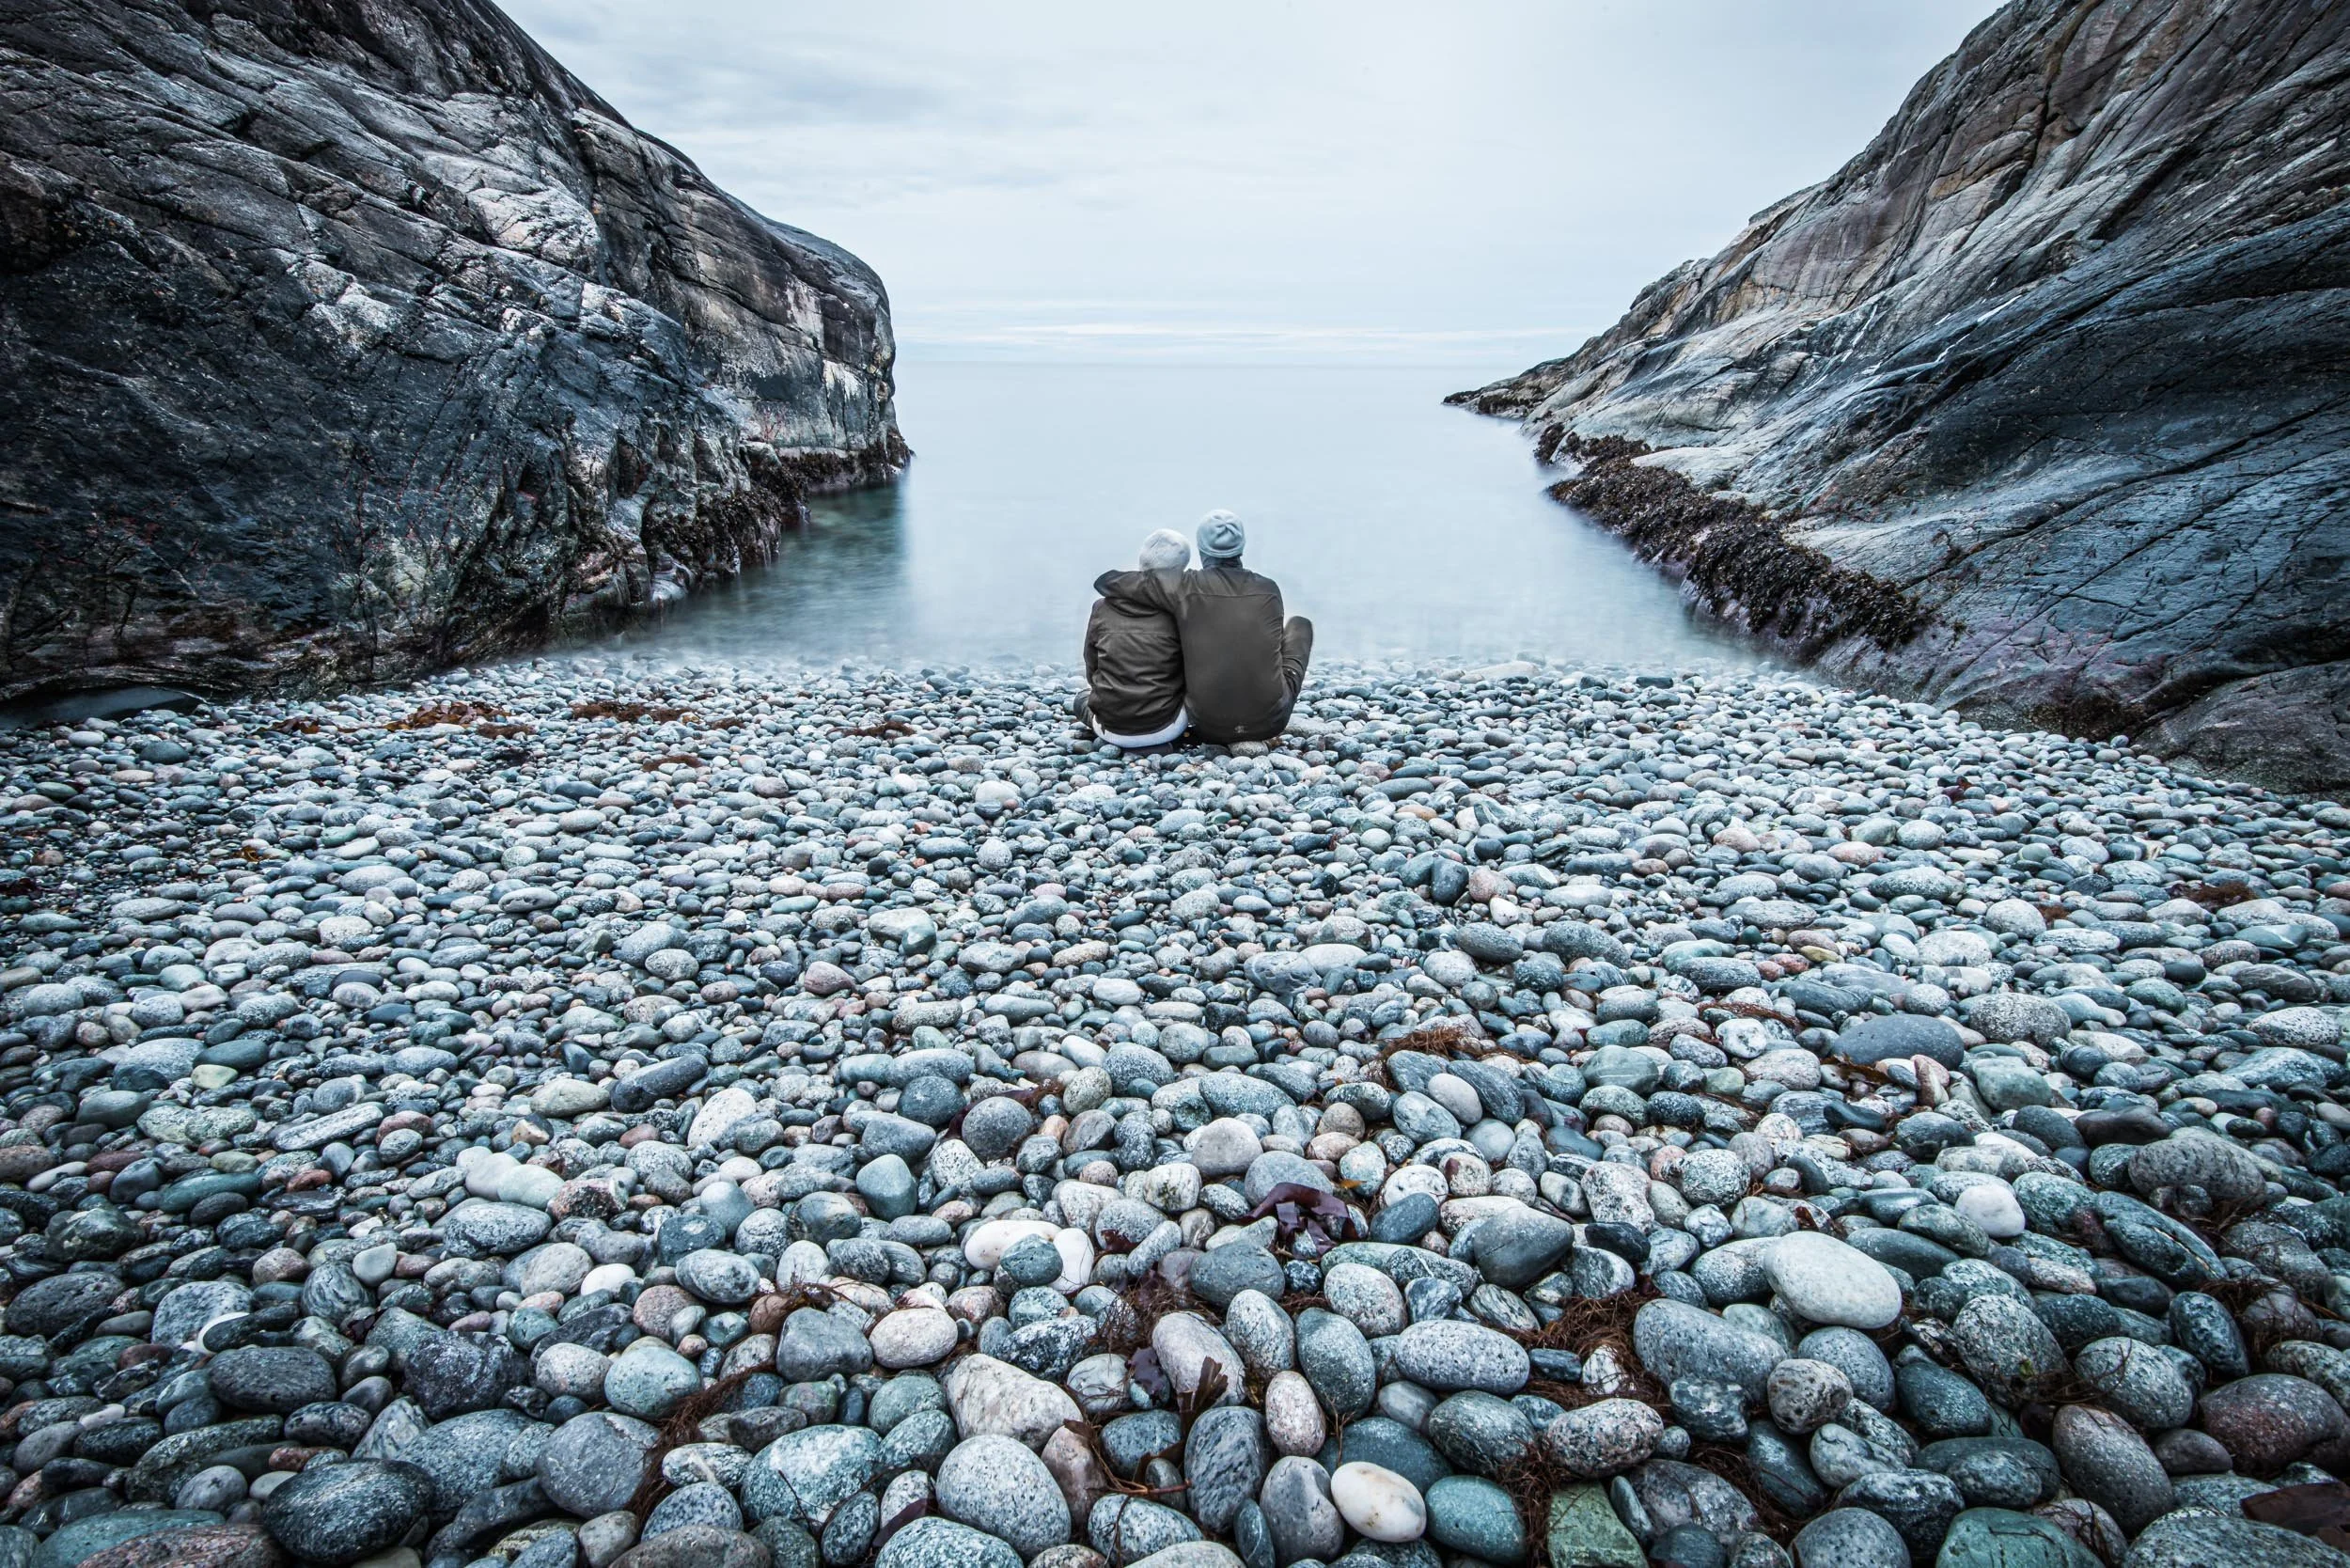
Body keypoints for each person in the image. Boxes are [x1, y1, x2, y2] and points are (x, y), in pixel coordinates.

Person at [1092, 510, 1311, 745]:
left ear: (1201, 548)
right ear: (1242, 546)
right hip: (1271, 722)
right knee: (1300, 626)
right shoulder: (1269, 589)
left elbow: (1108, 582)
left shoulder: (1184, 587)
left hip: (1207, 725)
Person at [1074, 527, 1192, 749]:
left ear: (1141, 562)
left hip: (1111, 727)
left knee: (1080, 700)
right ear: (1180, 571)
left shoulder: (1102, 608)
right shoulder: (1181, 611)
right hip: (1167, 726)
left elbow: (1092, 665)